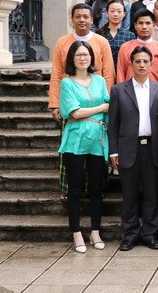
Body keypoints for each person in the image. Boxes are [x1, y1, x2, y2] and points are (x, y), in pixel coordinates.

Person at [108, 46, 158, 251]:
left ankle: (150, 233)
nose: (141, 65)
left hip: (152, 148)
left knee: (152, 194)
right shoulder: (118, 90)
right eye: (137, 61)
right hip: (127, 149)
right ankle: (130, 234)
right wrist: (113, 151)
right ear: (131, 64)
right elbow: (113, 124)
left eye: (145, 61)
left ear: (151, 64)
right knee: (129, 195)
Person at [58, 41, 110, 253]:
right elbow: (74, 112)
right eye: (78, 55)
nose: (83, 58)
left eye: (86, 54)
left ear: (91, 57)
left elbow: (109, 108)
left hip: (97, 139)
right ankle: (77, 233)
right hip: (75, 139)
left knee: (96, 189)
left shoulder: (100, 80)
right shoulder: (66, 83)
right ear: (72, 58)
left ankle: (95, 231)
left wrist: (101, 110)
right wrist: (100, 108)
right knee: (75, 189)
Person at [49, 3, 115, 121]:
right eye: (78, 17)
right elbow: (56, 74)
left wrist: (108, 101)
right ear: (72, 20)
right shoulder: (62, 42)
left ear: (92, 20)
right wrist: (55, 104)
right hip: (71, 97)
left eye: (85, 17)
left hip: (97, 98)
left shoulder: (102, 42)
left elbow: (108, 74)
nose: (82, 20)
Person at [116, 9, 158, 83]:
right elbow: (120, 74)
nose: (144, 27)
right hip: (130, 89)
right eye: (141, 23)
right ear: (135, 26)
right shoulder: (125, 47)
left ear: (153, 26)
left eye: (148, 23)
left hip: (156, 89)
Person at [96, 0, 136, 70]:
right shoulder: (98, 34)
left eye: (119, 11)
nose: (116, 14)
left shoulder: (130, 36)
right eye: (112, 11)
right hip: (103, 71)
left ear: (124, 14)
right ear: (106, 13)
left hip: (123, 71)